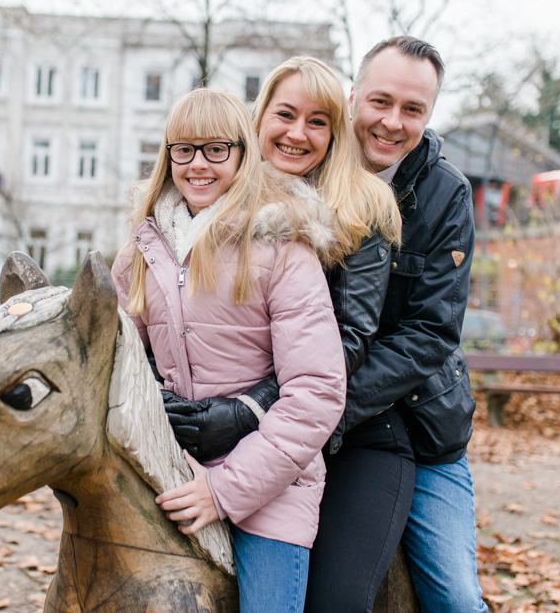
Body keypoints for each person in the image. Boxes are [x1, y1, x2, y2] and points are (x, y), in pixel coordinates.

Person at [167, 39, 486, 612]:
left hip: (401, 420)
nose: (392, 122)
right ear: (353, 98)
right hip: (285, 419)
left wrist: (255, 409)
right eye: (381, 102)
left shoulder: (430, 197)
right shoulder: (247, 185)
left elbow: (423, 335)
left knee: (454, 597)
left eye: (412, 110)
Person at [110, 87, 348, 613]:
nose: (198, 165)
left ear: (243, 154)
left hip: (269, 486)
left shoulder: (283, 249)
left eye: (216, 149)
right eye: (184, 149)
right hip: (167, 465)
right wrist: (153, 402)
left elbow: (317, 391)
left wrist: (223, 491)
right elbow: (119, 361)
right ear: (166, 155)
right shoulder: (140, 254)